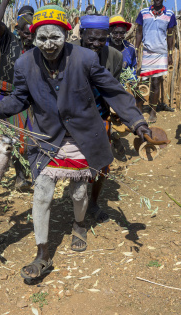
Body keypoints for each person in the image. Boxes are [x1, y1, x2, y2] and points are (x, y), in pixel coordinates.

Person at [0, 5, 152, 279]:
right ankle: (42, 253)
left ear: (67, 35)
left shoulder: (84, 59)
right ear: (33, 38)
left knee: (79, 193)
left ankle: (79, 224)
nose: (48, 45)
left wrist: (137, 122)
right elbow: (19, 99)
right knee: (42, 192)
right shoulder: (24, 64)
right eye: (41, 38)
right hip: (47, 137)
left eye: (54, 37)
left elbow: (113, 90)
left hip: (82, 136)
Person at [73, 14, 124, 223]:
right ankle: (78, 205)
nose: (96, 44)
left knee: (103, 163)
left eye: (101, 39)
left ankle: (93, 202)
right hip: (74, 117)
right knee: (77, 164)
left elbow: (113, 88)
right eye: (91, 38)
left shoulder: (114, 57)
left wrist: (118, 111)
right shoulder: (69, 53)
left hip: (100, 116)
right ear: (82, 34)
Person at [0, 0, 35, 189]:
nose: (29, 35)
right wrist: (5, 0)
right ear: (18, 28)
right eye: (25, 31)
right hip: (4, 94)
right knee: (3, 137)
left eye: (32, 32)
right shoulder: (8, 39)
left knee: (22, 137)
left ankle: (20, 177)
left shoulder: (36, 48)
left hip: (23, 97)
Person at [135, 0, 176, 123]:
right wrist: (136, 48)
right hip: (147, 51)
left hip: (161, 52)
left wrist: (170, 53)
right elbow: (139, 32)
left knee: (156, 83)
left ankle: (153, 111)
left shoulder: (170, 14)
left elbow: (170, 35)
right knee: (142, 82)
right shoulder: (144, 12)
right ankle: (139, 109)